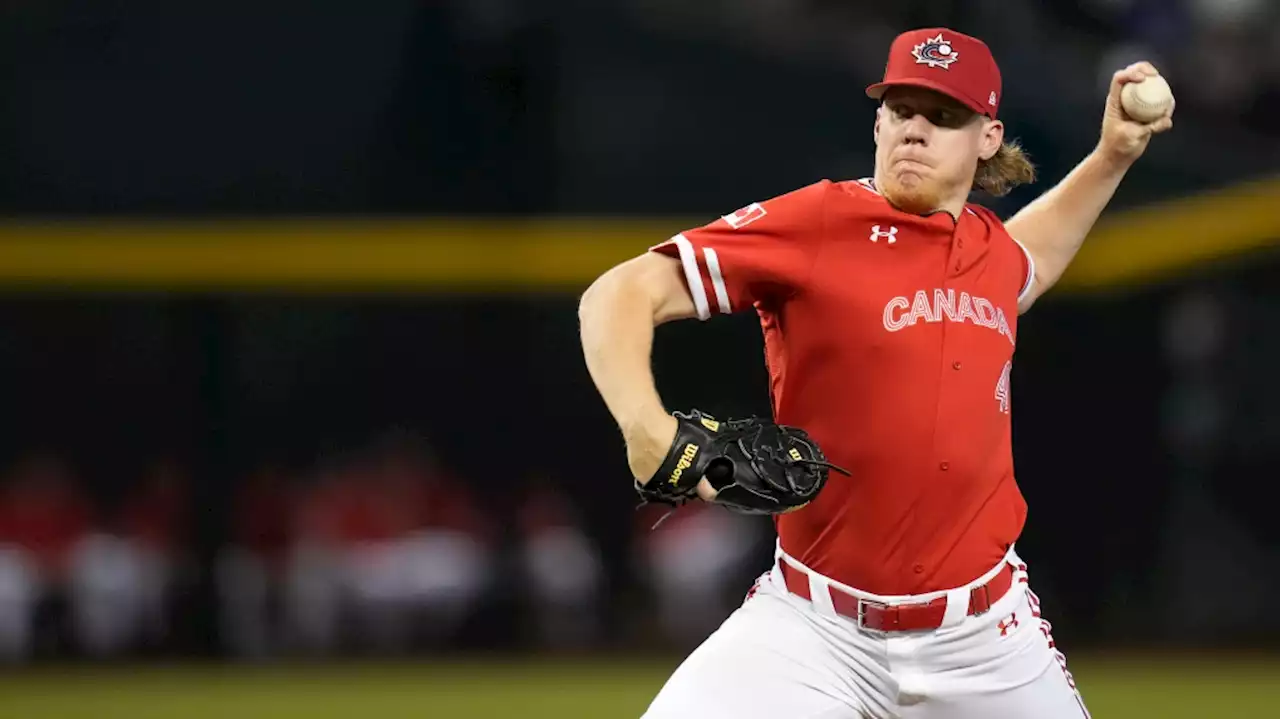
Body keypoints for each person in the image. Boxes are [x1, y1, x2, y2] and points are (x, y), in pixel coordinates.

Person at [577, 27, 1172, 719]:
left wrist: (1111, 157)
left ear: (988, 138)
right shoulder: (821, 222)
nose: (915, 131)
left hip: (987, 638)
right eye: (902, 110)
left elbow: (1029, 257)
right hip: (811, 628)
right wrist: (645, 423)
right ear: (879, 120)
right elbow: (618, 293)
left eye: (943, 116)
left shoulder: (991, 252)